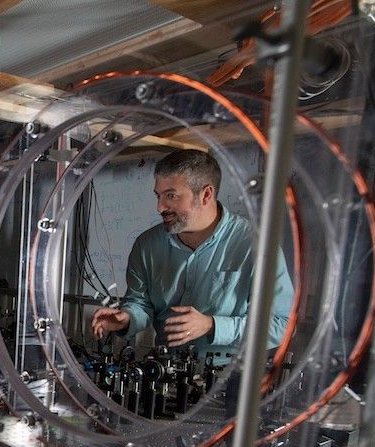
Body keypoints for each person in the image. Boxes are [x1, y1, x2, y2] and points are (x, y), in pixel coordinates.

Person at [90, 149, 293, 358]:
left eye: (171, 196)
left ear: (206, 195)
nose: (160, 207)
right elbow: (140, 303)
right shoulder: (147, 245)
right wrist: (127, 318)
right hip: (163, 372)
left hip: (228, 377)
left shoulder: (256, 247)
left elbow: (283, 323)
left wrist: (212, 325)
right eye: (158, 196)